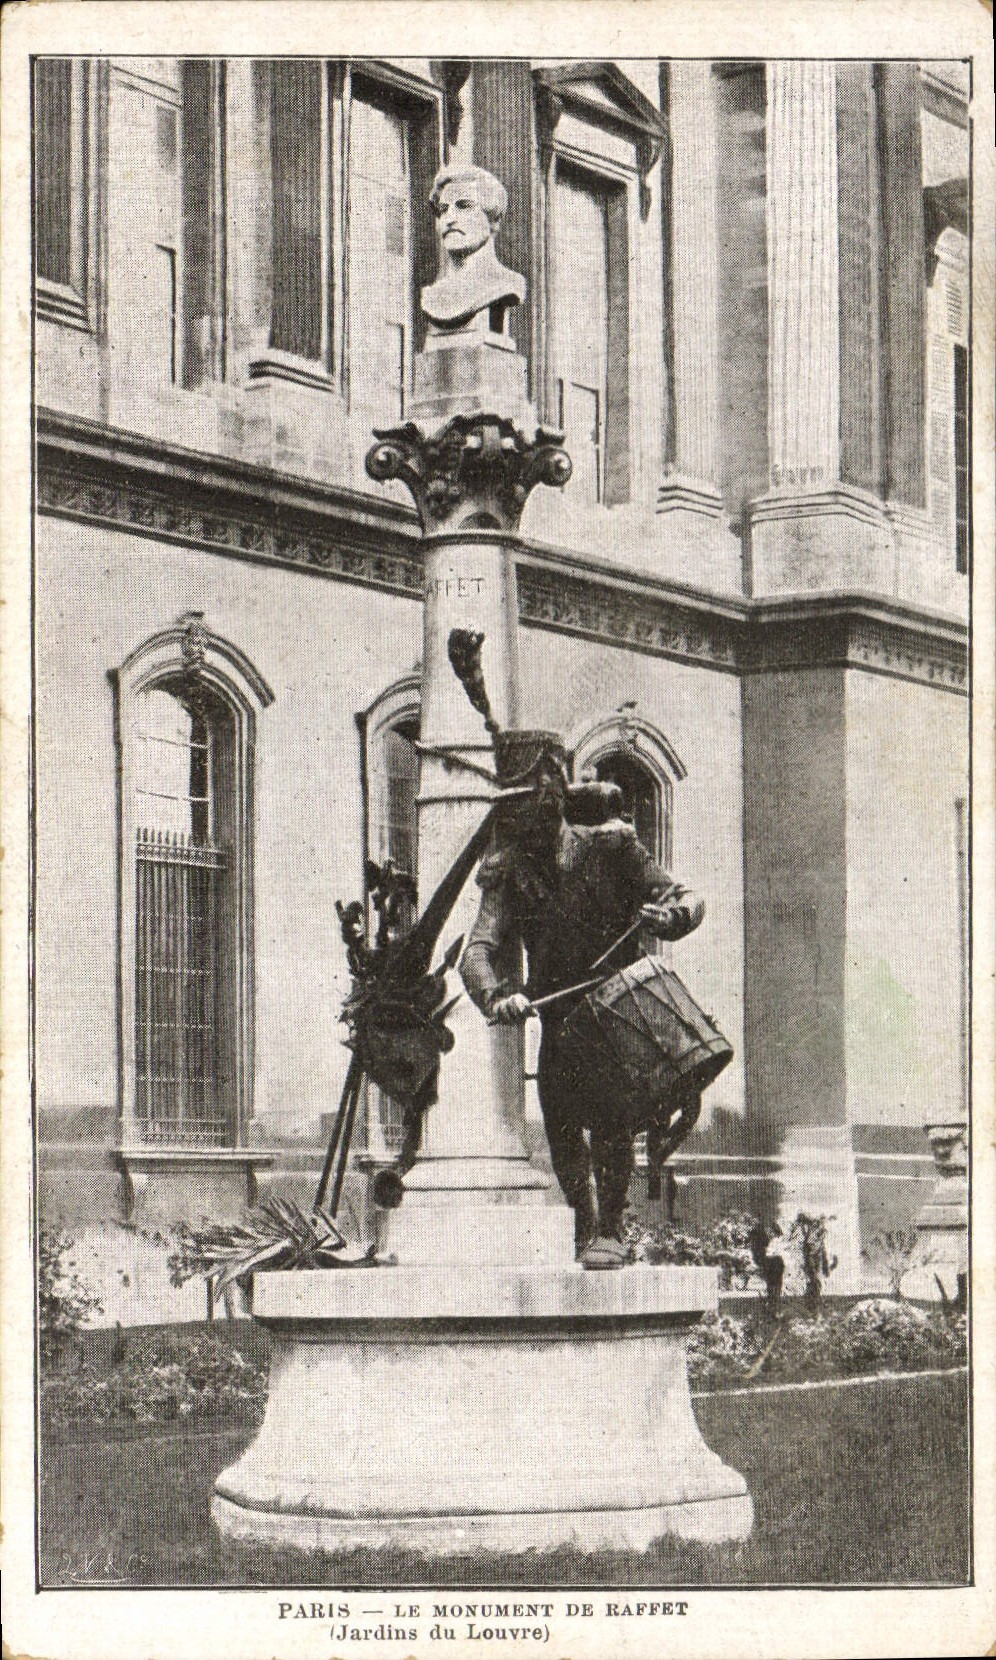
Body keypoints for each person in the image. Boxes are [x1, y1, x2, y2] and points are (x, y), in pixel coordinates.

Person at [460, 732, 705, 1268]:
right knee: (562, 1126)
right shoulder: (508, 869)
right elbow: (476, 950)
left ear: (558, 800)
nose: (533, 816)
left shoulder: (613, 847)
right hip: (556, 1016)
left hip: (619, 1014)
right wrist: (496, 996)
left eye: (542, 802)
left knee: (615, 1123)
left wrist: (671, 917)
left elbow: (686, 898)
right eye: (519, 805)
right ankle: (582, 1228)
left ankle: (612, 1229)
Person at [422, 164, 526, 338]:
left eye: (464, 206)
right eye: (443, 210)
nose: (449, 219)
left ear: (492, 218)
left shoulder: (506, 284)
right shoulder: (431, 297)